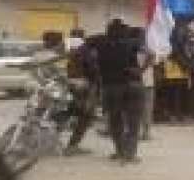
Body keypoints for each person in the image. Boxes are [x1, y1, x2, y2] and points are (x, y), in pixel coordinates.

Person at [95, 19, 144, 164]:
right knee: (133, 122)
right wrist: (141, 70)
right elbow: (151, 54)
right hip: (133, 84)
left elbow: (82, 51)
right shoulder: (132, 43)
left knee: (115, 120)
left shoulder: (100, 43)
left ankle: (120, 151)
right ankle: (130, 155)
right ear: (124, 31)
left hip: (111, 86)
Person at [65, 29, 100, 154]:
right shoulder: (87, 52)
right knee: (86, 115)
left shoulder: (72, 50)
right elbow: (92, 70)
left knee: (71, 111)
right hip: (84, 86)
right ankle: (72, 145)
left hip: (71, 84)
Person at [132, 27, 155, 141]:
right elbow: (152, 56)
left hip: (134, 81)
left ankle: (136, 132)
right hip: (146, 82)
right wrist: (142, 69)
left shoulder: (129, 48)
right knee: (147, 108)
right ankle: (146, 132)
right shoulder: (146, 49)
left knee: (134, 108)